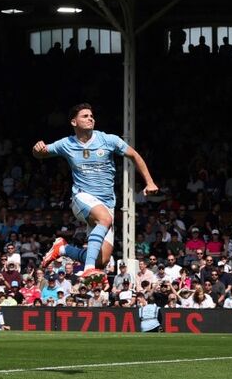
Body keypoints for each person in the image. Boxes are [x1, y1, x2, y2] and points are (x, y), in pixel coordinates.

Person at [32, 103, 159, 285]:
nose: (90, 118)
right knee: (104, 221)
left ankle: (63, 249)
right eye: (85, 116)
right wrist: (37, 150)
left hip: (106, 203)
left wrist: (149, 181)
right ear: (74, 122)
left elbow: (134, 155)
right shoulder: (66, 144)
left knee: (103, 260)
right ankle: (88, 269)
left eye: (91, 115)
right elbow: (41, 154)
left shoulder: (108, 140)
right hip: (81, 198)